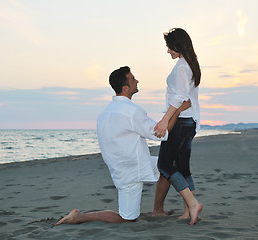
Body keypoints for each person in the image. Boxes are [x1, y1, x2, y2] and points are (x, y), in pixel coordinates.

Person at [55, 66, 192, 225]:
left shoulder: (105, 112)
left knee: (167, 165)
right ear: (126, 87)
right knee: (127, 218)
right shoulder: (132, 111)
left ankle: (158, 210)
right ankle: (80, 217)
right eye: (133, 79)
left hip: (120, 166)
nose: (137, 81)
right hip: (132, 168)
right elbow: (160, 134)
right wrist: (178, 110)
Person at [152, 28, 203, 225]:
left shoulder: (182, 67)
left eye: (169, 46)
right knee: (183, 168)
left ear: (178, 45)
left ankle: (192, 204)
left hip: (181, 122)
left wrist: (165, 120)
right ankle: (187, 211)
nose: (168, 51)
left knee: (164, 165)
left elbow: (180, 96)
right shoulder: (190, 65)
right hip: (190, 122)